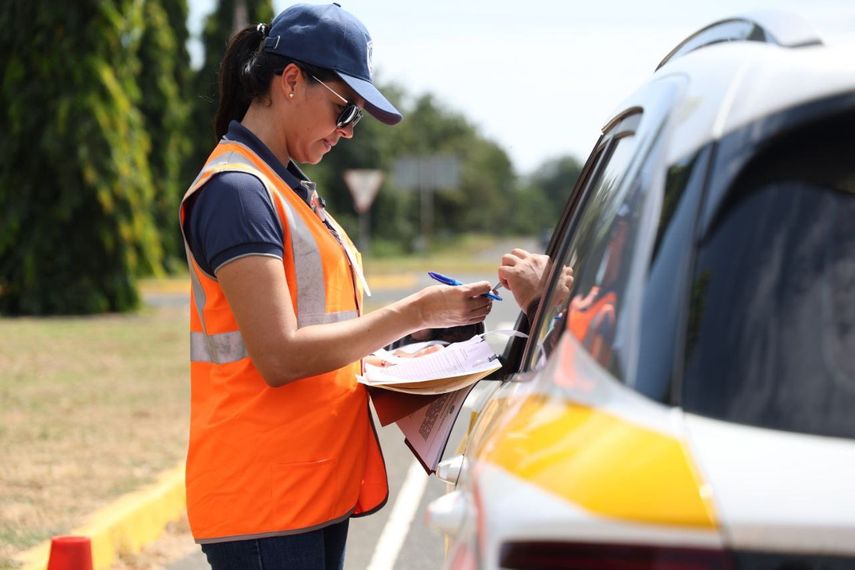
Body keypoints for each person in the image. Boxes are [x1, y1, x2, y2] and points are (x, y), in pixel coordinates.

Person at [178, 4, 493, 569]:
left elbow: (328, 333)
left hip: (309, 489)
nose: (347, 130)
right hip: (265, 502)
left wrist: (405, 351)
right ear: (292, 81)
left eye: (358, 118)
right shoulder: (237, 192)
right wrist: (416, 311)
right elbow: (278, 355)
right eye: (344, 108)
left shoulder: (288, 188)